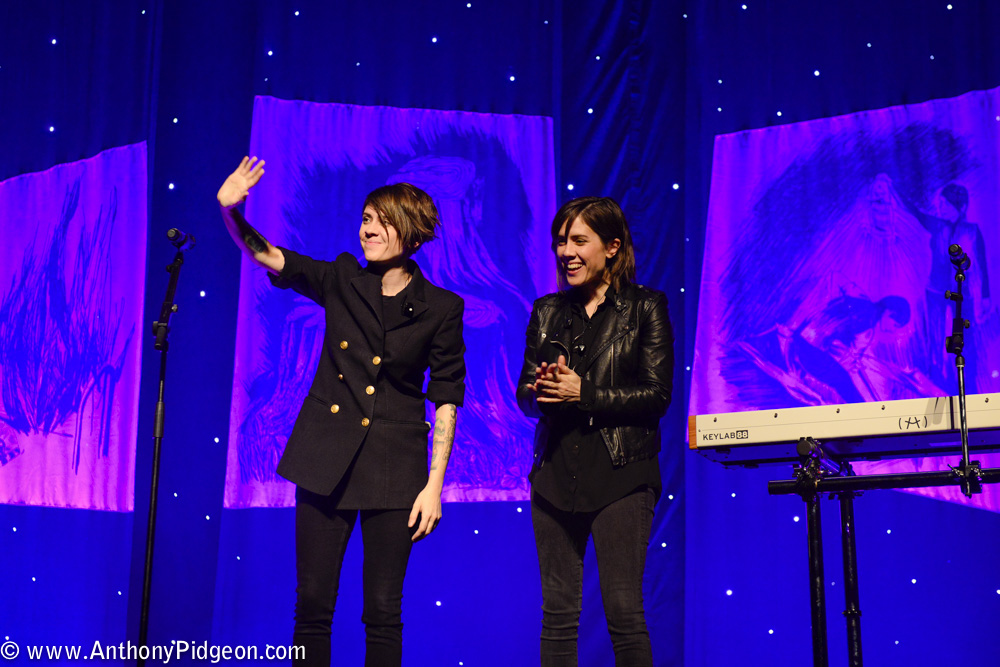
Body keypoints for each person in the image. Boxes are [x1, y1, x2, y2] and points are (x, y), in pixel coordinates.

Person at [217, 156, 466, 666]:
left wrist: (433, 485)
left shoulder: (442, 307)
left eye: (381, 220)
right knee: (312, 604)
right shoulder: (343, 278)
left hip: (396, 468)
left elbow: (446, 395)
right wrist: (232, 212)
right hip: (325, 457)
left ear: (413, 232)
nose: (368, 228)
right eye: (366, 217)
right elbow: (269, 256)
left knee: (382, 610)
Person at [516, 196, 673, 665]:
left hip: (621, 476)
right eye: (560, 241)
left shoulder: (646, 307)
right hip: (554, 477)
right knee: (558, 617)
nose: (567, 251)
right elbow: (524, 398)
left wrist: (585, 394)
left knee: (624, 613)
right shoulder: (546, 312)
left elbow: (657, 396)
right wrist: (540, 390)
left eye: (579, 240)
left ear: (612, 246)